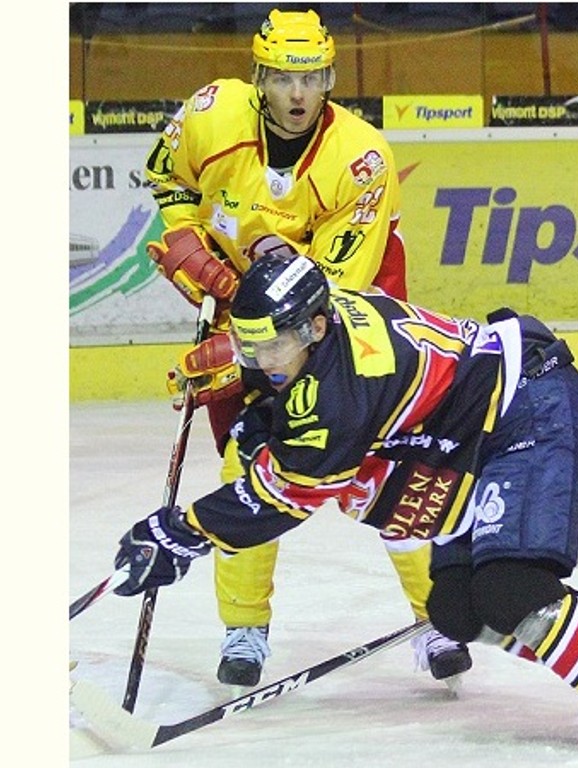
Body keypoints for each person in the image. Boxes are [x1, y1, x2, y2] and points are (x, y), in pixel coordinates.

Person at [109, 252, 578, 759]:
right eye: (250, 345)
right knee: (454, 608)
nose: (261, 361)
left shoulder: (341, 393)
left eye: (273, 347)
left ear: (315, 328)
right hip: (462, 434)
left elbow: (282, 497)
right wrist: (257, 407)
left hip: (530, 408)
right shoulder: (323, 325)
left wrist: (182, 532)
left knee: (509, 587)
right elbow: (297, 407)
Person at [142, 7, 470, 688]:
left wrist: (234, 341)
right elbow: (170, 181)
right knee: (249, 463)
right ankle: (244, 628)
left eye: (313, 77)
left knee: (392, 468)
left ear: (330, 79)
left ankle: (435, 618)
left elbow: (325, 299)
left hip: (350, 318)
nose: (298, 94)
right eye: (284, 78)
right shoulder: (211, 114)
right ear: (258, 76)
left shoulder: (361, 157)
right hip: (244, 308)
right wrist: (192, 246)